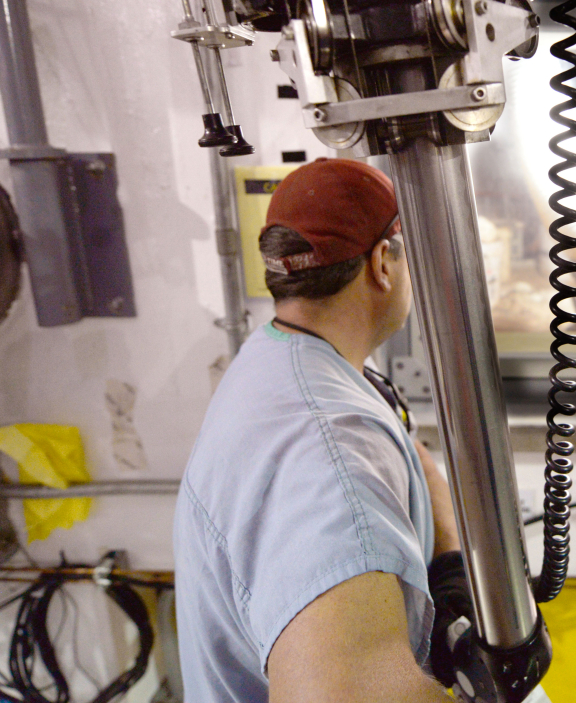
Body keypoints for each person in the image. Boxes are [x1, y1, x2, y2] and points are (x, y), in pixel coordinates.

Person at [174, 157, 469, 702]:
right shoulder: (327, 449)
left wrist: (449, 567)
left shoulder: (289, 361)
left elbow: (408, 453)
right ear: (383, 262)